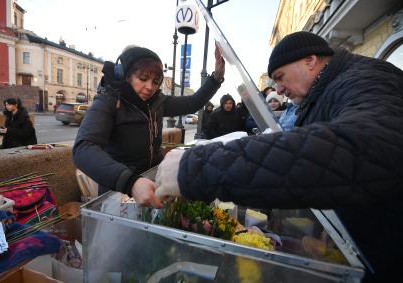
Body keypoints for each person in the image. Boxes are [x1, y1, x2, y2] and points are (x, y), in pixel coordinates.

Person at [154, 31, 403, 282]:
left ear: (310, 60)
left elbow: (358, 147)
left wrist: (198, 168)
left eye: (280, 77)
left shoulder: (367, 79)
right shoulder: (326, 90)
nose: (280, 89)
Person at [73, 45, 225, 208]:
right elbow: (83, 149)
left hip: (153, 180)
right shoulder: (108, 101)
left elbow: (192, 103)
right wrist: (131, 182)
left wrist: (216, 78)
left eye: (155, 81)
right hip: (119, 190)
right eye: (143, 78)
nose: (150, 87)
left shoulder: (158, 102)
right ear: (127, 75)